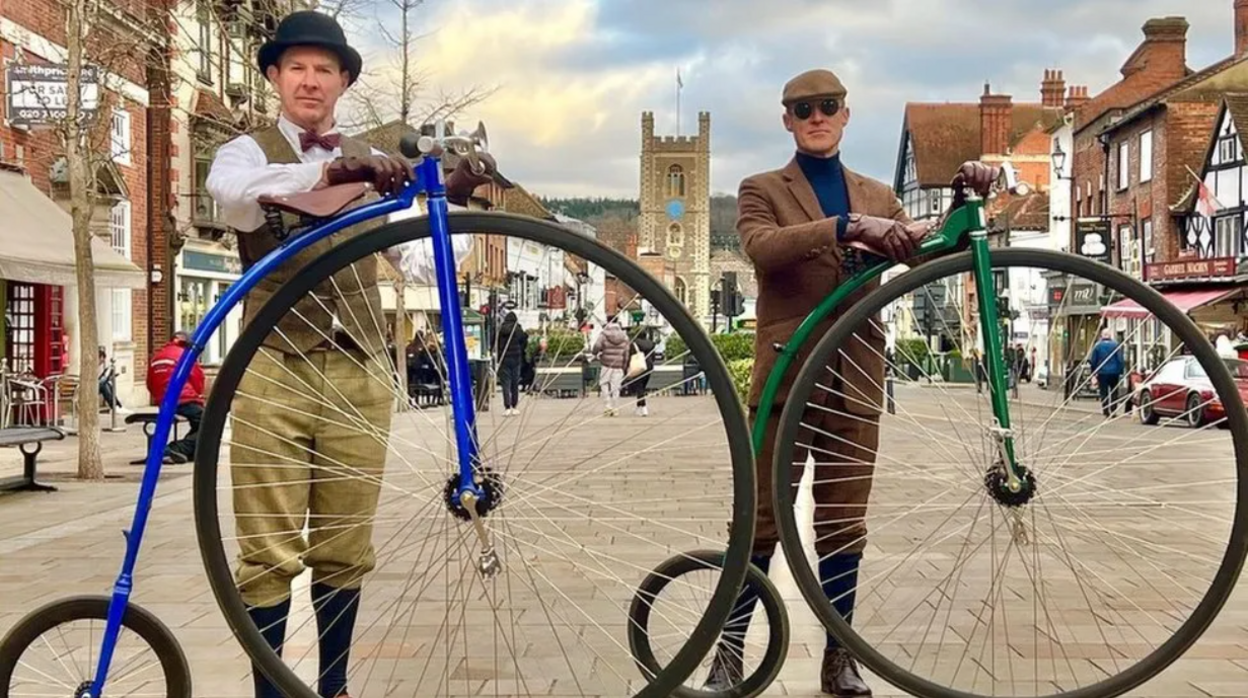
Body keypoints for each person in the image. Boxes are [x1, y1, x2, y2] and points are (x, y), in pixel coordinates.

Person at [204, 10, 494, 698]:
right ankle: (272, 691)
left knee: (344, 544)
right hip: (275, 364)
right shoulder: (246, 151)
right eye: (297, 67)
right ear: (274, 77)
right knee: (268, 549)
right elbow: (236, 200)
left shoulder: (378, 160)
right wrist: (332, 171)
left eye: (324, 69)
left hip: (360, 367)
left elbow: (427, 262)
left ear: (343, 82)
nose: (310, 81)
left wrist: (447, 204)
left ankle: (332, 687)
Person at [707, 67, 998, 696]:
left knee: (844, 524)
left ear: (846, 114)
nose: (816, 116)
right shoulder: (761, 188)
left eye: (828, 106)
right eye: (803, 108)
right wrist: (845, 227)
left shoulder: (877, 193)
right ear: (787, 119)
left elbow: (924, 252)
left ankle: (841, 657)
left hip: (856, 381)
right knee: (758, 521)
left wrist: (962, 203)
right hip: (787, 374)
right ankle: (727, 656)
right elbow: (764, 247)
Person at [146, 330, 205, 464]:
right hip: (184, 399)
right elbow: (197, 378)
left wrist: (159, 399)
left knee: (199, 423)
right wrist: (198, 397)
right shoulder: (186, 355)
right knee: (208, 423)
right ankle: (176, 449)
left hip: (165, 402)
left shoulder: (157, 356)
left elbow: (150, 383)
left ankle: (190, 452)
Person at [592, 318, 629, 416]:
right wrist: (624, 366)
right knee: (616, 388)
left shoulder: (603, 335)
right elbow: (626, 353)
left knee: (603, 384)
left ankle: (608, 405)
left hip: (606, 364)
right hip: (619, 365)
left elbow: (597, 346)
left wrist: (595, 353)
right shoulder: (624, 336)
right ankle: (615, 408)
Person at [494, 311, 528, 415]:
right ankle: (514, 405)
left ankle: (507, 406)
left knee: (506, 383)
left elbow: (494, 343)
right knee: (514, 383)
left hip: (504, 359)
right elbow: (524, 340)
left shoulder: (500, 330)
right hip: (516, 359)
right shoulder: (517, 330)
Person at [1089, 328, 1125, 418]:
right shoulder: (1116, 345)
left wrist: (1093, 372)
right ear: (1110, 335)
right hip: (1114, 372)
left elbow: (1093, 361)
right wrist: (1121, 370)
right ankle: (1113, 410)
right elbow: (1120, 359)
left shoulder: (1097, 346)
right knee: (1114, 392)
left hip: (1102, 372)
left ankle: (1105, 410)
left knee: (1103, 392)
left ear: (1102, 335)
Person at [629, 327, 657, 416]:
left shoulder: (634, 343)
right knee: (642, 387)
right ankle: (638, 408)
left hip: (638, 365)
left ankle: (644, 408)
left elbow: (631, 354)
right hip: (649, 366)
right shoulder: (651, 343)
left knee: (639, 387)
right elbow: (654, 356)